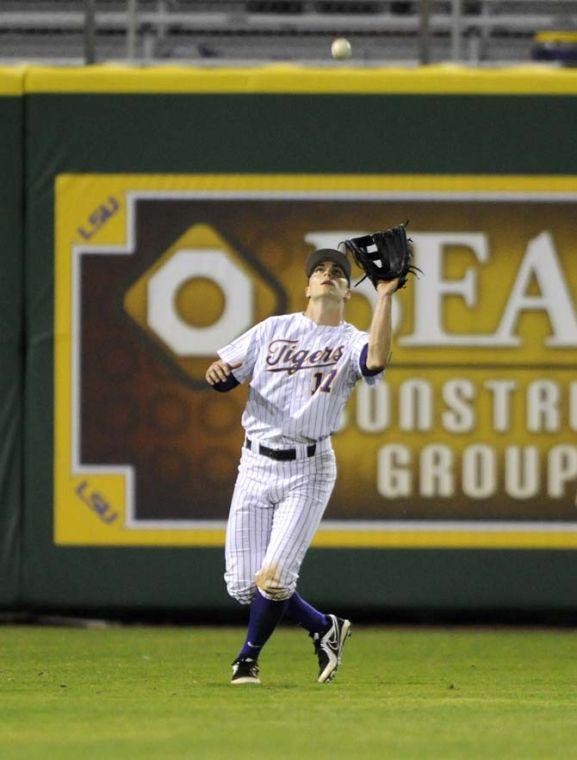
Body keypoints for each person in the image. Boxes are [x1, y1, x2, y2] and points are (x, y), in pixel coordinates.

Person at [205, 247, 398, 685]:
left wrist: (385, 295)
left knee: (273, 580)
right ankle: (322, 627)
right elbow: (225, 372)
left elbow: (377, 360)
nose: (328, 275)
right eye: (320, 270)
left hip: (307, 469)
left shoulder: (350, 340)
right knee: (242, 587)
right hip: (254, 463)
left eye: (337, 273)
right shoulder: (273, 329)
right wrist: (216, 371)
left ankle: (247, 659)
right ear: (307, 286)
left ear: (348, 292)